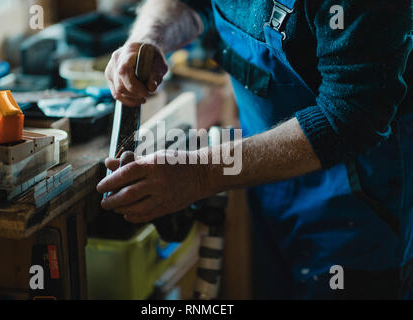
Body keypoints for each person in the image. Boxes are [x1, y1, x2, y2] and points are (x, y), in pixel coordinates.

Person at [98, 0, 413, 299]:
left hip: (358, 201)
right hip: (264, 177)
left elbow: (350, 116)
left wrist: (199, 173)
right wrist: (149, 37)